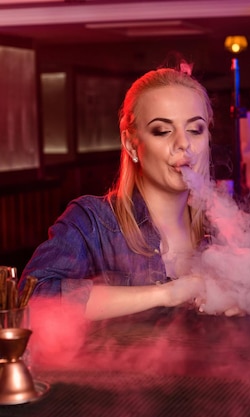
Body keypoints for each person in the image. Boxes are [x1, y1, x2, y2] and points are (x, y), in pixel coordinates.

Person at [19, 61, 227, 320]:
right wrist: (166, 294)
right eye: (162, 131)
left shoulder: (221, 226)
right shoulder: (92, 222)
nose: (184, 144)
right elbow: (32, 299)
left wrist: (242, 306)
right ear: (130, 145)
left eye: (196, 130)